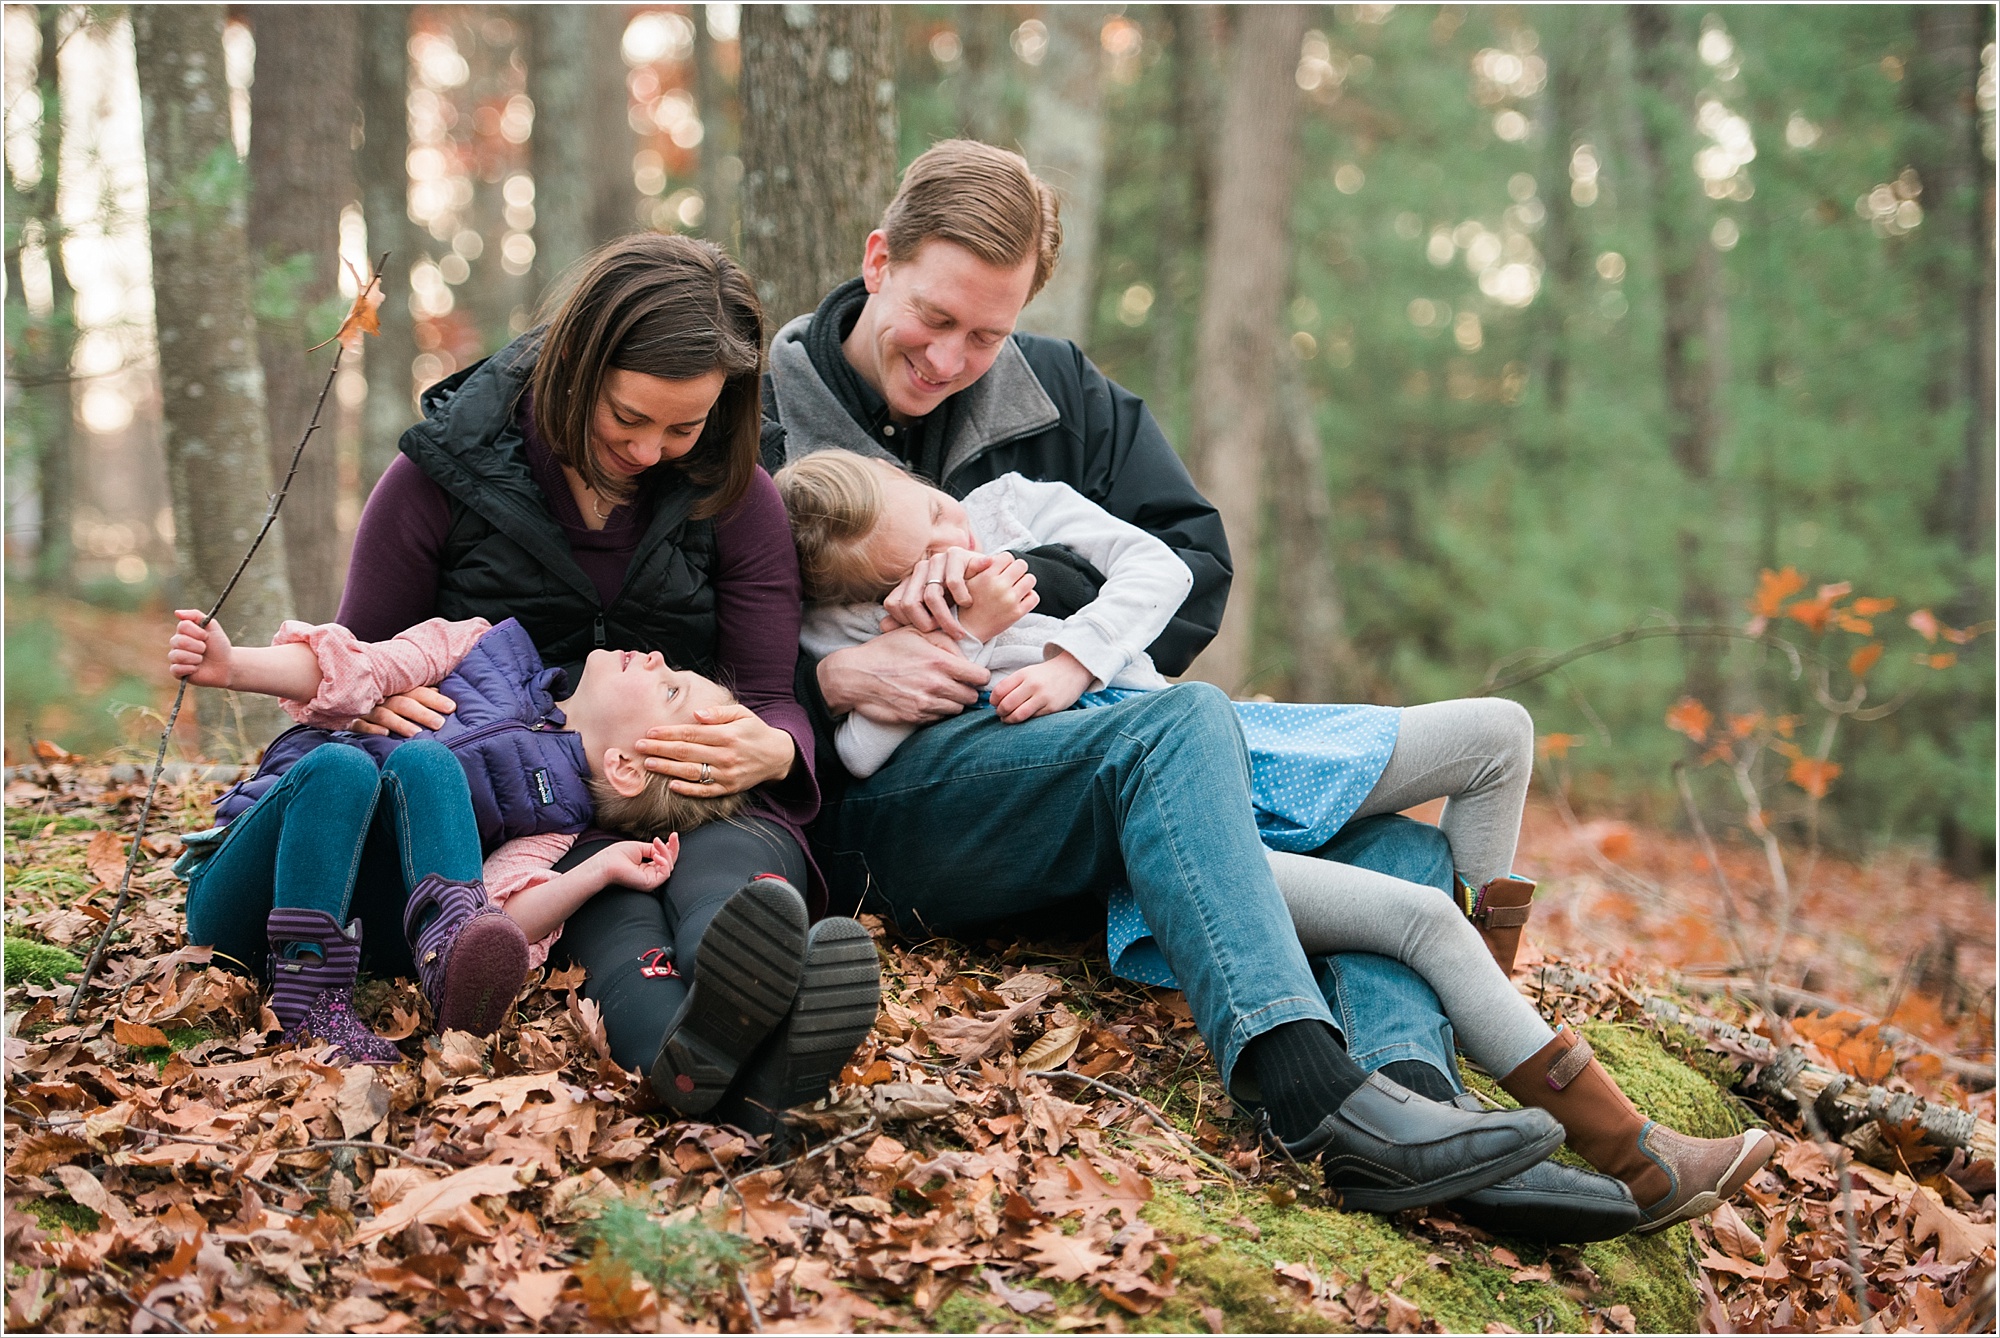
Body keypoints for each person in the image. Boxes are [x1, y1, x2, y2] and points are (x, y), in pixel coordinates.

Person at [759, 139, 1592, 1217]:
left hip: (1080, 743)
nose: (950, 357)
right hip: (903, 799)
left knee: (1401, 845)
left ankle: (1426, 1108)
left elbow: (1191, 557)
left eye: (987, 331)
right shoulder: (766, 431)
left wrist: (1036, 612)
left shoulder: (1057, 394)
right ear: (878, 261)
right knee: (1179, 726)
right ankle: (1312, 1096)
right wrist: (835, 678)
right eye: (933, 316)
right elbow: (696, 632)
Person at [773, 451, 1779, 1233]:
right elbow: (863, 747)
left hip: (1142, 745)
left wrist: (1063, 642)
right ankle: (1582, 1143)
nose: (954, 540)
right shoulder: (868, 624)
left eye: (940, 514)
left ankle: (1434, 1113)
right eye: (926, 552)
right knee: (1409, 902)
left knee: (1407, 853)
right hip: (1075, 792)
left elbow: (1157, 562)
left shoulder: (999, 504)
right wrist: (917, 643)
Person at [333, 234, 878, 1130]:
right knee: (608, 907)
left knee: (726, 860)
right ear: (575, 365)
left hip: (693, 788)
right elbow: (355, 659)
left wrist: (775, 746)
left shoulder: (740, 501)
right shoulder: (438, 481)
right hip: (528, 813)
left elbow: (774, 691)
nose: (653, 449)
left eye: (685, 426)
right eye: (627, 417)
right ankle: (706, 1067)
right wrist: (380, 698)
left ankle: (750, 996)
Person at [170, 611, 800, 1093]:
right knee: (340, 766)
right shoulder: (478, 645)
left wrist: (599, 870)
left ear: (626, 768)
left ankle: (430, 970)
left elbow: (511, 908)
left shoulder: (559, 819)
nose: (660, 659)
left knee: (426, 763)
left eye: (670, 692)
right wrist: (233, 667)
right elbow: (363, 668)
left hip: (356, 923)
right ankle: (310, 996)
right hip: (241, 899)